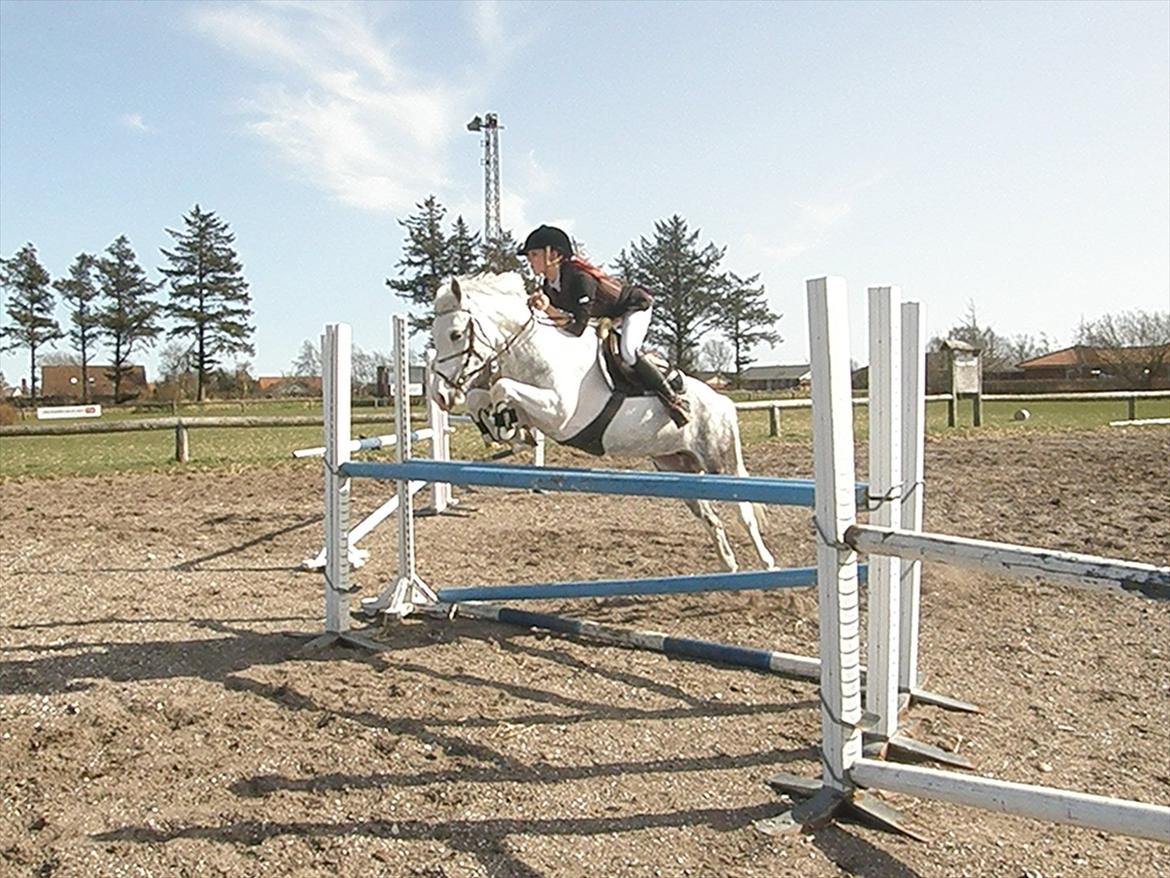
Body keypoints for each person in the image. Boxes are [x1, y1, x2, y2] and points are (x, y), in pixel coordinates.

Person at [518, 224, 690, 426]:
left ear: (553, 254)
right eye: (529, 256)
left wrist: (549, 310)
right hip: (608, 317)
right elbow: (559, 323)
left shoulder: (581, 279)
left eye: (534, 254)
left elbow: (577, 327)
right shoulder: (549, 285)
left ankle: (673, 400)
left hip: (634, 307)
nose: (530, 261)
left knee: (628, 352)